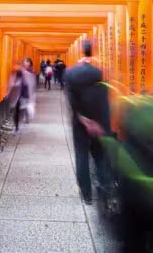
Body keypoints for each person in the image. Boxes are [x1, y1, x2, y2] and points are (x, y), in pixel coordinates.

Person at [64, 40, 111, 205]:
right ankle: (105, 189)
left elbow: (71, 100)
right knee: (99, 156)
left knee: (81, 156)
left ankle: (86, 194)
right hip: (98, 123)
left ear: (81, 51)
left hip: (80, 123)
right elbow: (104, 100)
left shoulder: (70, 73)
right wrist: (101, 124)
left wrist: (83, 118)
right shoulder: (99, 73)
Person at [6, 65, 31, 134]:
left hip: (20, 99)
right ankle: (17, 127)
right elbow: (10, 87)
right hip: (15, 99)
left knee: (17, 113)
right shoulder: (14, 79)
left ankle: (17, 127)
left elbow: (26, 89)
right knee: (16, 113)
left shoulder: (23, 80)